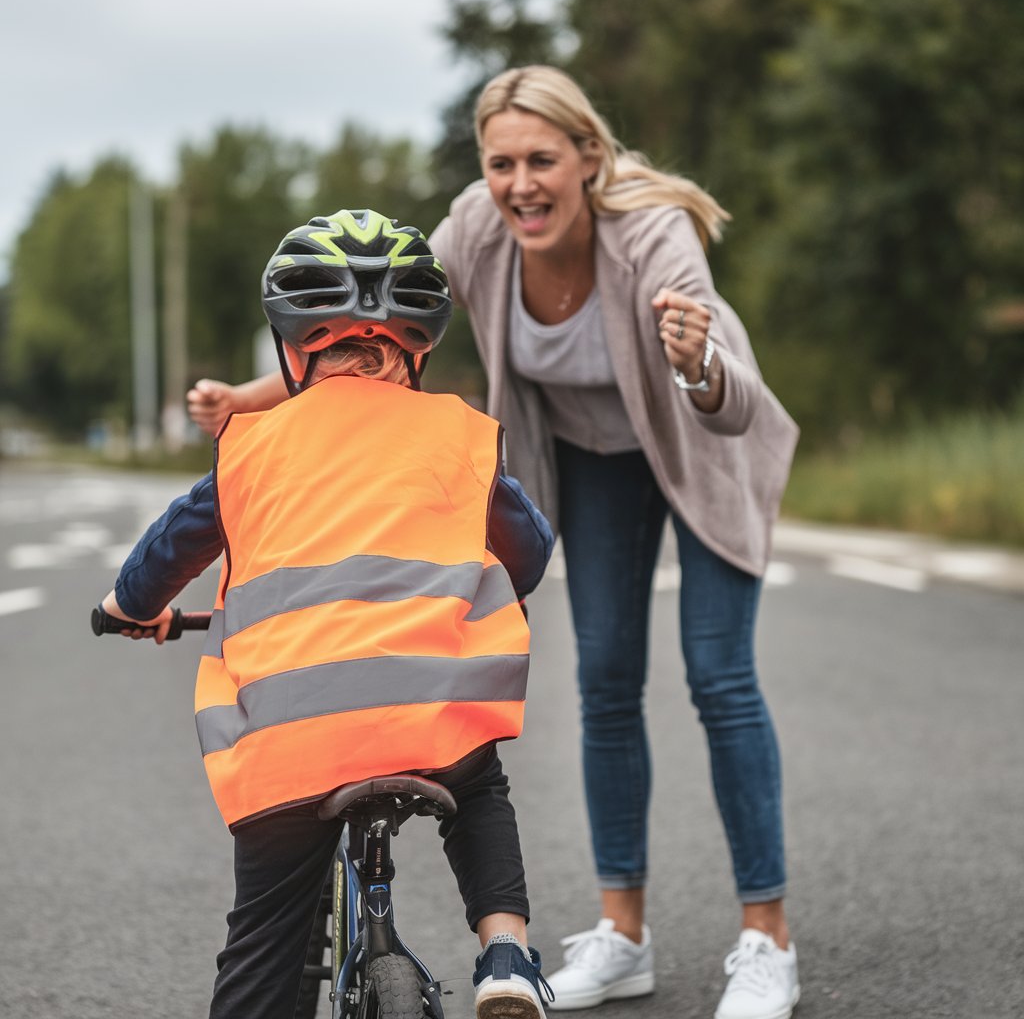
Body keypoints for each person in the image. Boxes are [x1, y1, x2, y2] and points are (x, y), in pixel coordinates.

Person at [187, 66, 802, 1019]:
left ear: (589, 159)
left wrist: (700, 360)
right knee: (604, 681)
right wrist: (249, 397)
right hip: (592, 466)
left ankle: (767, 938)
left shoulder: (652, 236)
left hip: (696, 448)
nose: (521, 183)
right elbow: (370, 318)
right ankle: (623, 934)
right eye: (501, 162)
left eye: (543, 160)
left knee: (717, 676)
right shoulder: (478, 227)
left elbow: (736, 401)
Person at [100, 208, 557, 1019]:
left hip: (289, 736)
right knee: (479, 784)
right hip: (430, 716)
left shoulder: (253, 447)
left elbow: (168, 552)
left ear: (292, 348)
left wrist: (126, 606)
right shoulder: (459, 435)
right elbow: (530, 551)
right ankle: (506, 951)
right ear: (419, 346)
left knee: (261, 939)